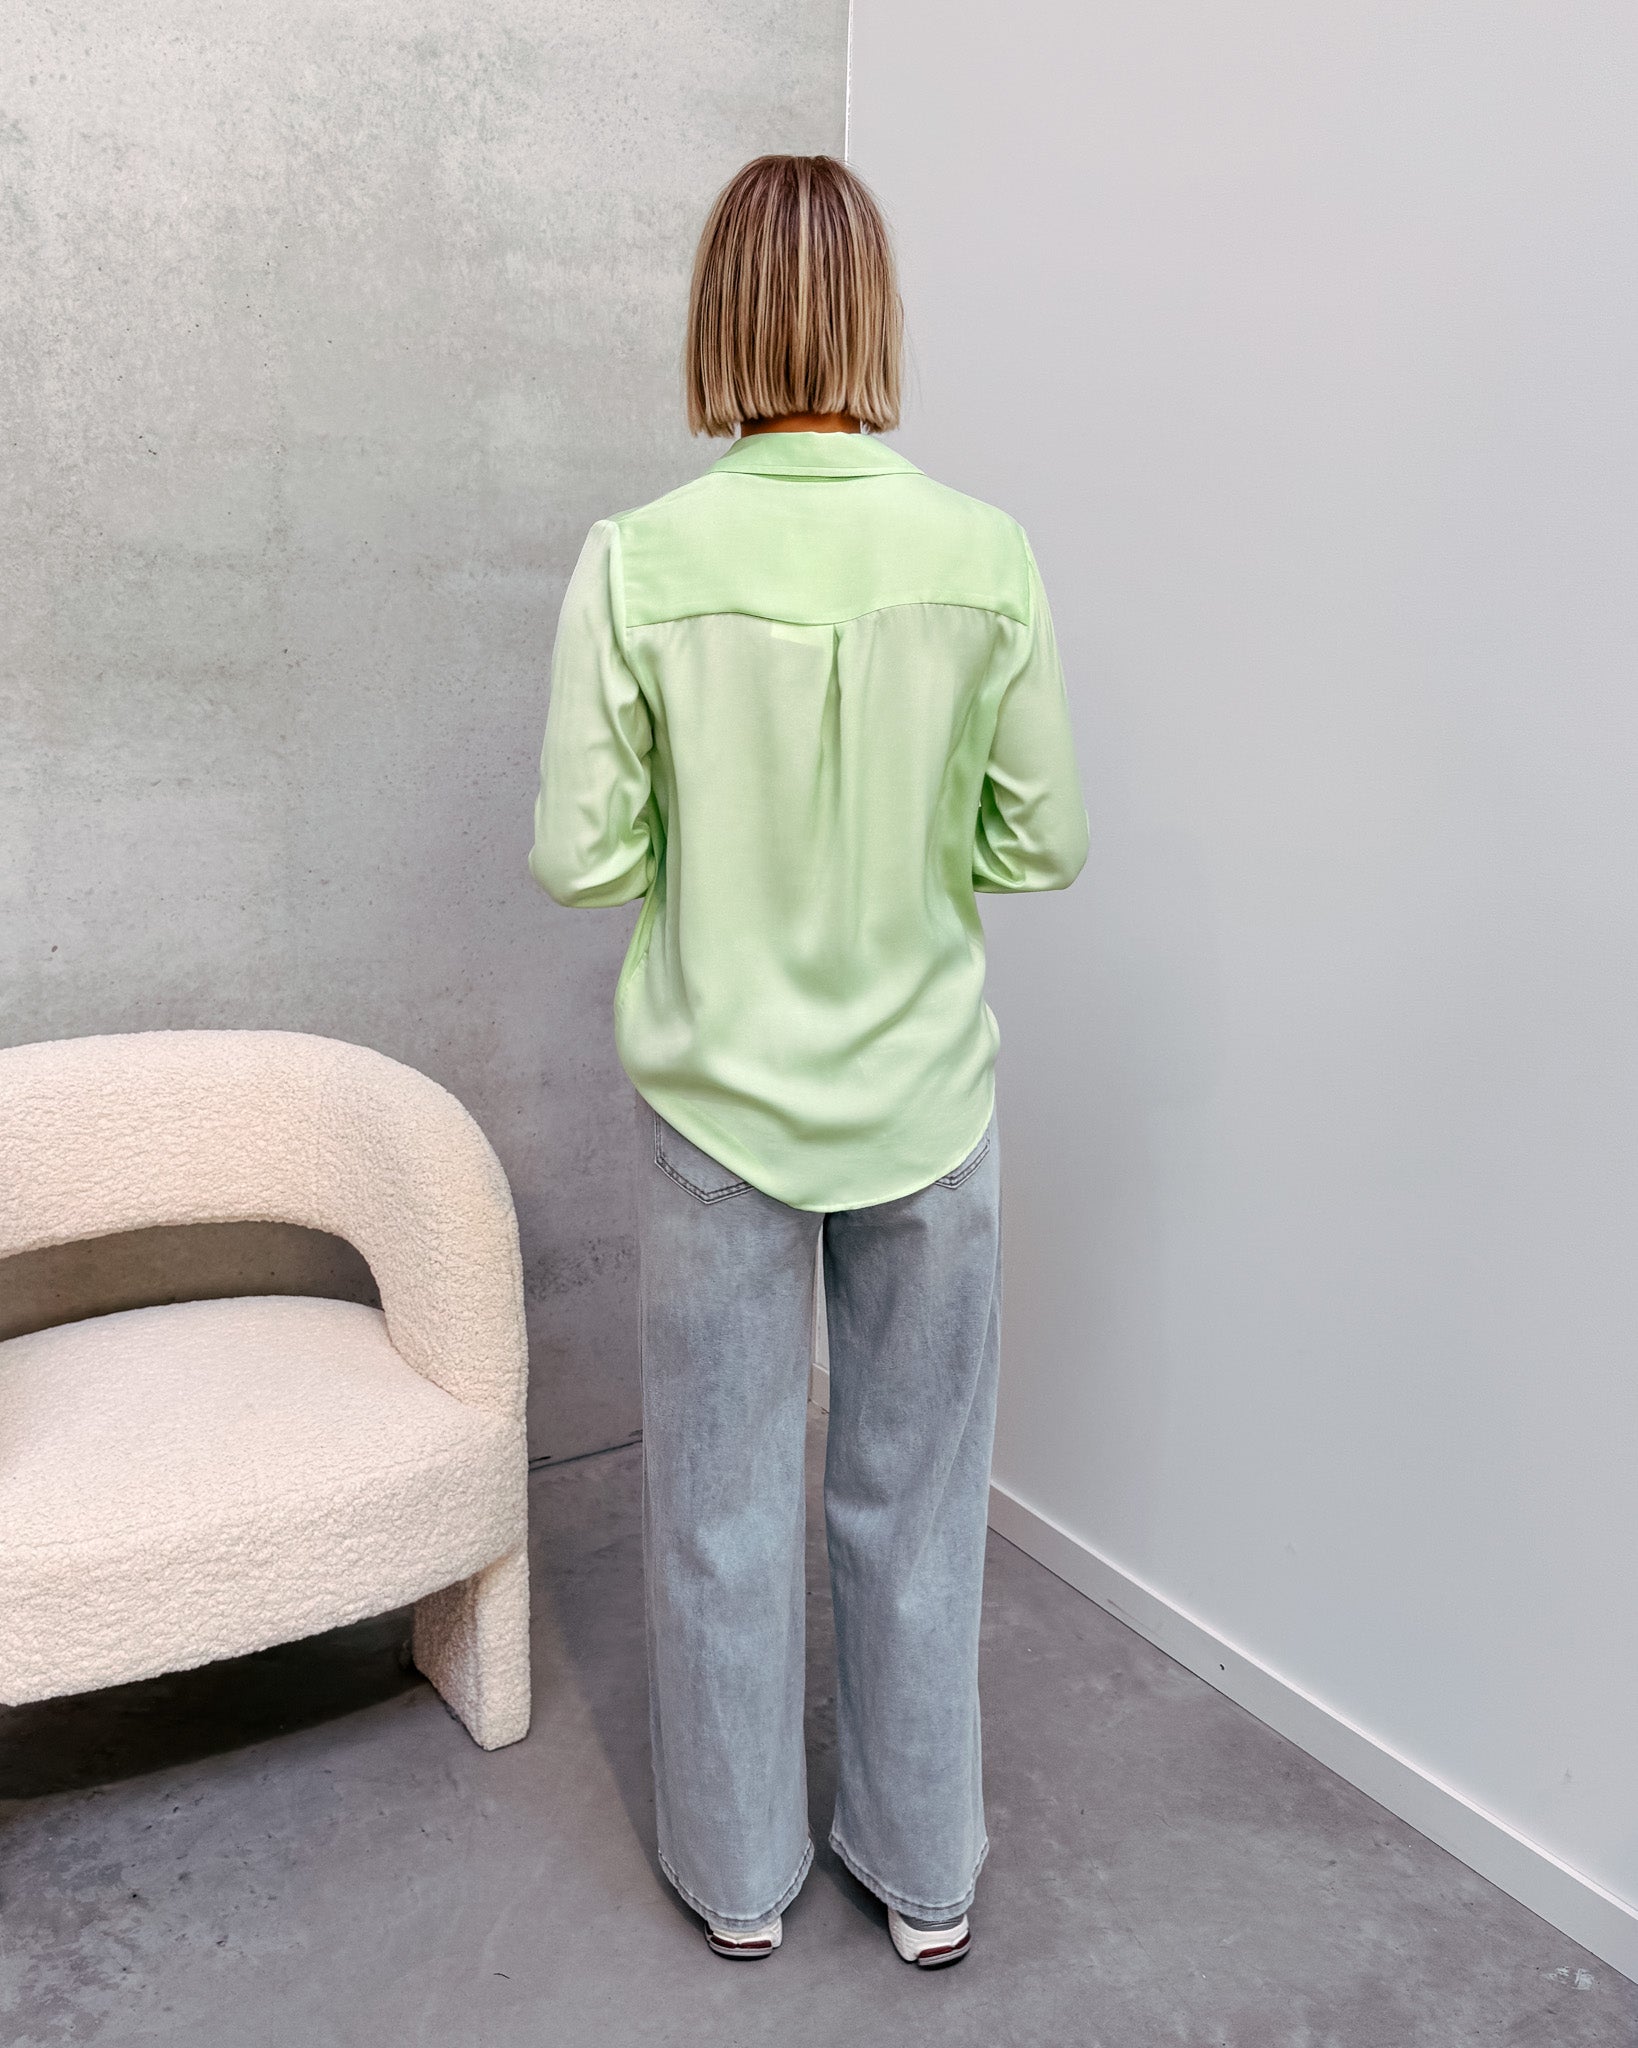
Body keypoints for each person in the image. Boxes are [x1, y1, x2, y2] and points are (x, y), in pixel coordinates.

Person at [528, 153, 1088, 1969]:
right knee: (916, 1497)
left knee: (718, 1506)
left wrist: (706, 847)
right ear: (873, 314)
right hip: (925, 1094)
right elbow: (1042, 842)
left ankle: (739, 1878)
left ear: (718, 317)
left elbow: (579, 859)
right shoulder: (984, 551)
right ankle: (925, 1879)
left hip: (717, 1107)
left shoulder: (639, 560)